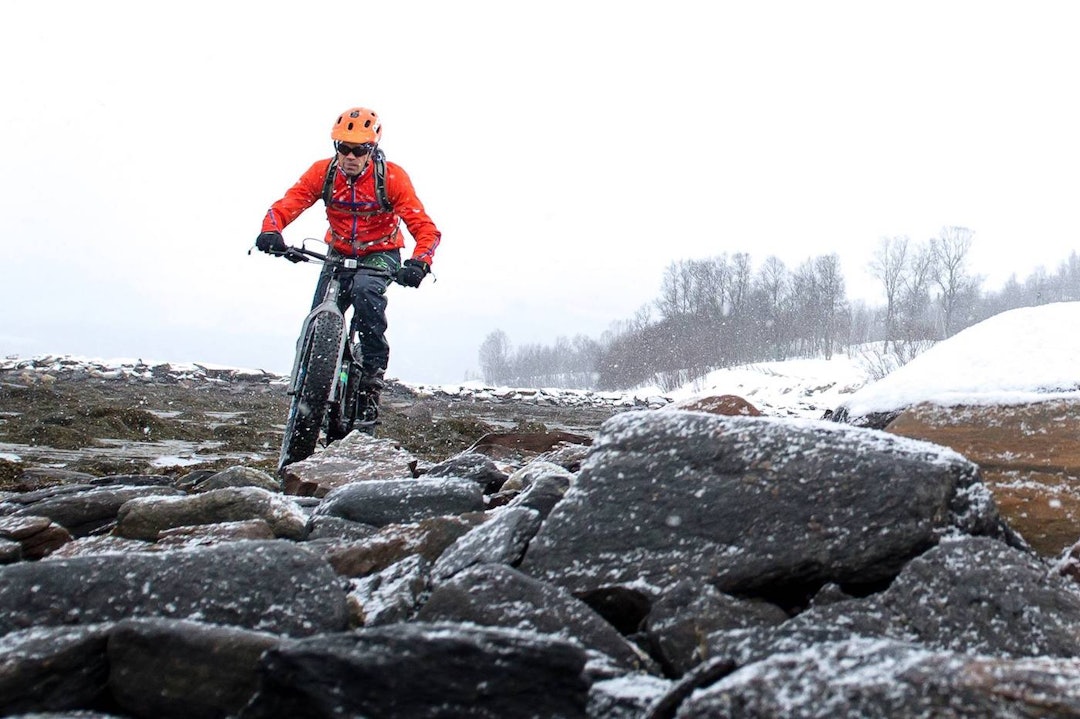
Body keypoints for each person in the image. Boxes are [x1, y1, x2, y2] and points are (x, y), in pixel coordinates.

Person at [255, 106, 441, 426]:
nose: (351, 156)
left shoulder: (391, 179)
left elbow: (426, 229)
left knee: (366, 291)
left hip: (381, 253)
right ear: (336, 148)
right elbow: (288, 203)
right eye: (344, 147)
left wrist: (419, 262)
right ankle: (307, 378)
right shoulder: (322, 173)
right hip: (338, 252)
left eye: (359, 150)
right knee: (319, 313)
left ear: (372, 150)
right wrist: (271, 230)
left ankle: (371, 379)